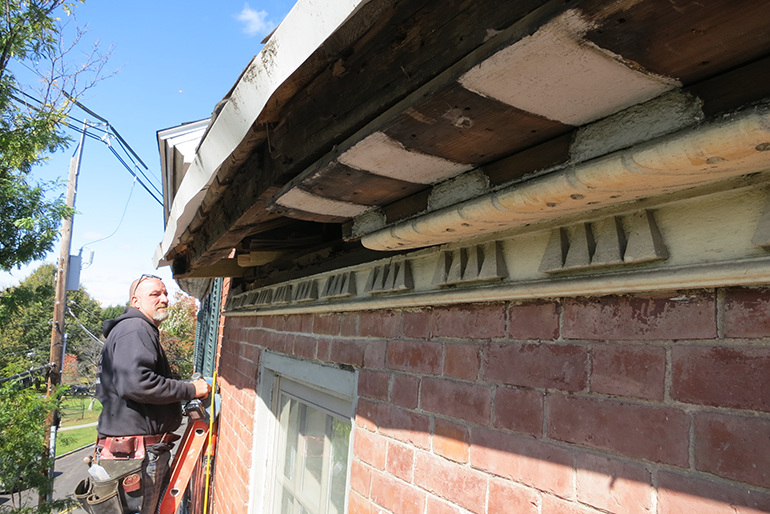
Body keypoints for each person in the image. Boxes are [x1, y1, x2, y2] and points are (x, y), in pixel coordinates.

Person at [90, 274, 210, 514]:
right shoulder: (135, 328)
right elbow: (137, 384)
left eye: (165, 293)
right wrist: (190, 389)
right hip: (134, 461)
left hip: (131, 456)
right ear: (136, 301)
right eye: (155, 294)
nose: (164, 299)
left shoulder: (131, 330)